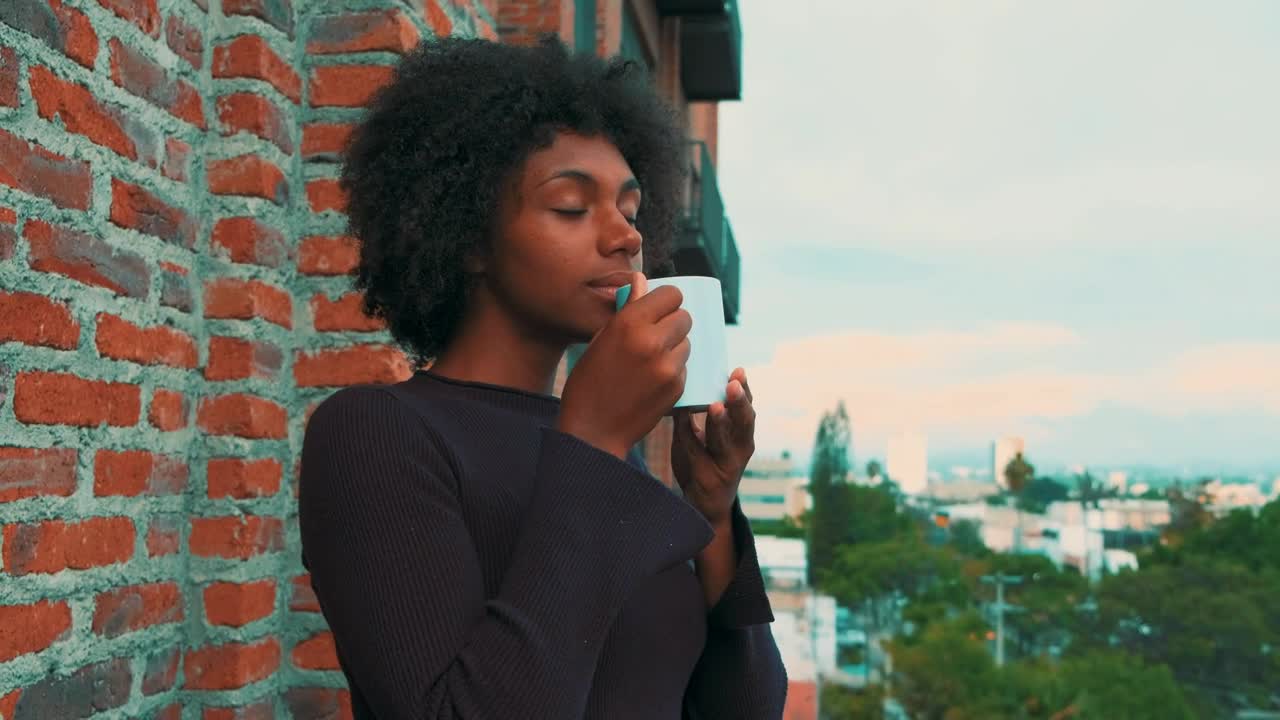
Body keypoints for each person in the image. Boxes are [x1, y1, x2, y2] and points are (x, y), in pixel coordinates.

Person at [298, 35, 787, 720]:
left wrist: (712, 512)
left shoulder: (605, 456)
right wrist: (594, 438)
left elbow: (744, 710)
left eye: (630, 211)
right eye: (571, 207)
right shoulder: (375, 435)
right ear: (468, 235)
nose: (626, 237)